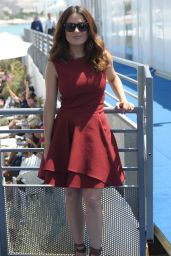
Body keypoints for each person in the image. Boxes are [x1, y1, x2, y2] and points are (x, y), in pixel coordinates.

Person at [38, 5, 134, 256]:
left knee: (93, 199)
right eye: (71, 26)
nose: (77, 30)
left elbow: (113, 78)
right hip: (67, 131)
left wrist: (122, 99)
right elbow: (49, 105)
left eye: (82, 25)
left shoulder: (101, 54)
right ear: (63, 30)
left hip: (95, 132)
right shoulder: (55, 63)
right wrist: (47, 144)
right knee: (71, 195)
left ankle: (96, 250)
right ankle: (78, 248)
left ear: (89, 28)